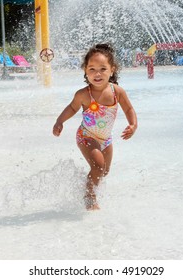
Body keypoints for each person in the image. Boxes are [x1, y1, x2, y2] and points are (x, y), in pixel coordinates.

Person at [53, 43, 138, 210]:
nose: (97, 74)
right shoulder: (84, 94)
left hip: (106, 139)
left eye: (102, 69)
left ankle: (85, 184)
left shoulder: (117, 92)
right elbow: (72, 108)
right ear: (85, 70)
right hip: (86, 135)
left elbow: (128, 108)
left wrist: (133, 125)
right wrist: (59, 121)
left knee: (104, 171)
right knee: (98, 166)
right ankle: (89, 196)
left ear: (112, 70)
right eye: (92, 69)